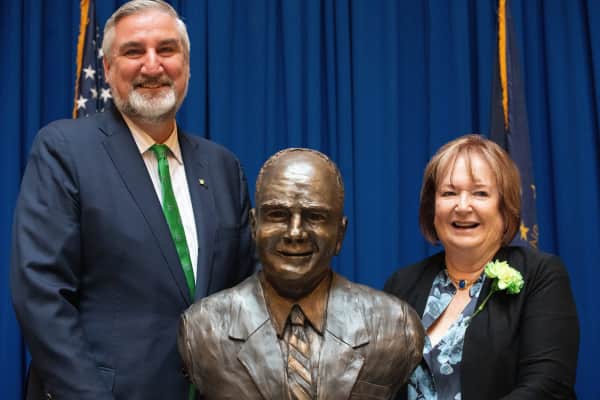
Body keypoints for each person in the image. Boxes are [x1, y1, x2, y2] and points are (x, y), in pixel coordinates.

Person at [10, 1, 254, 399]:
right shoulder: (65, 150)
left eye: (167, 49)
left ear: (187, 66)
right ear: (107, 68)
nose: (152, 66)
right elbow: (41, 295)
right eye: (134, 51)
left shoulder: (224, 168)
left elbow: (245, 296)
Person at [178, 148, 424, 400]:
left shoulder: (396, 326)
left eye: (315, 216)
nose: (295, 233)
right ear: (254, 227)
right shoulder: (202, 329)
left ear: (340, 234)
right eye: (277, 215)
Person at [384, 134, 580, 399]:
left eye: (480, 193)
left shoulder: (541, 275)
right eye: (449, 193)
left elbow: (548, 387)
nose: (462, 206)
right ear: (433, 207)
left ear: (505, 207)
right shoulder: (401, 284)